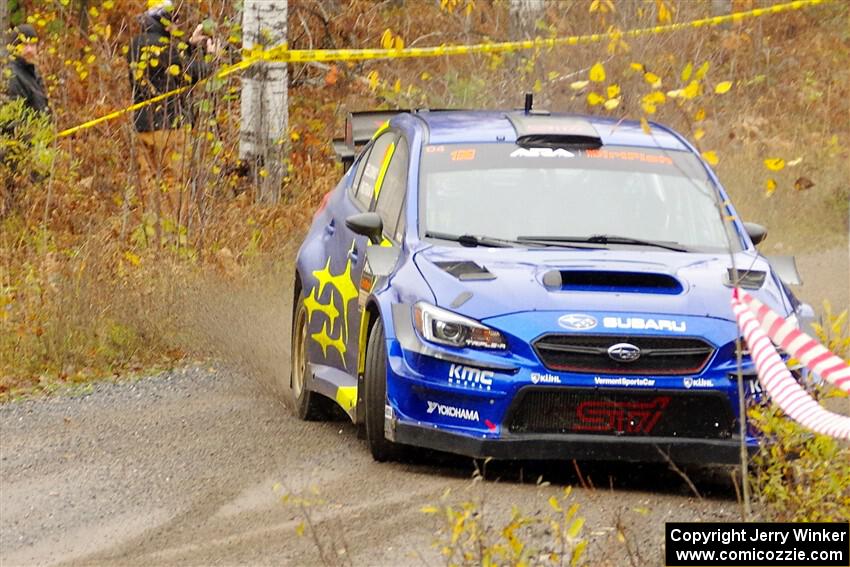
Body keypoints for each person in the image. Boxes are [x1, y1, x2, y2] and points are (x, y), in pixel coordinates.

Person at [128, 0, 219, 225]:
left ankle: (149, 230)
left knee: (147, 183)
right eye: (175, 19)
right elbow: (188, 73)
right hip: (170, 127)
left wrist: (189, 44)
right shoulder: (166, 49)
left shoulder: (135, 45)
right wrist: (211, 58)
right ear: (163, 20)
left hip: (141, 127)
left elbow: (167, 67)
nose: (178, 24)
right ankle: (173, 235)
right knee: (174, 183)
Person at [4, 24, 49, 114]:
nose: (29, 50)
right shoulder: (11, 76)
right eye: (24, 44)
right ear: (14, 47)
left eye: (32, 44)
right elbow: (12, 119)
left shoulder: (33, 73)